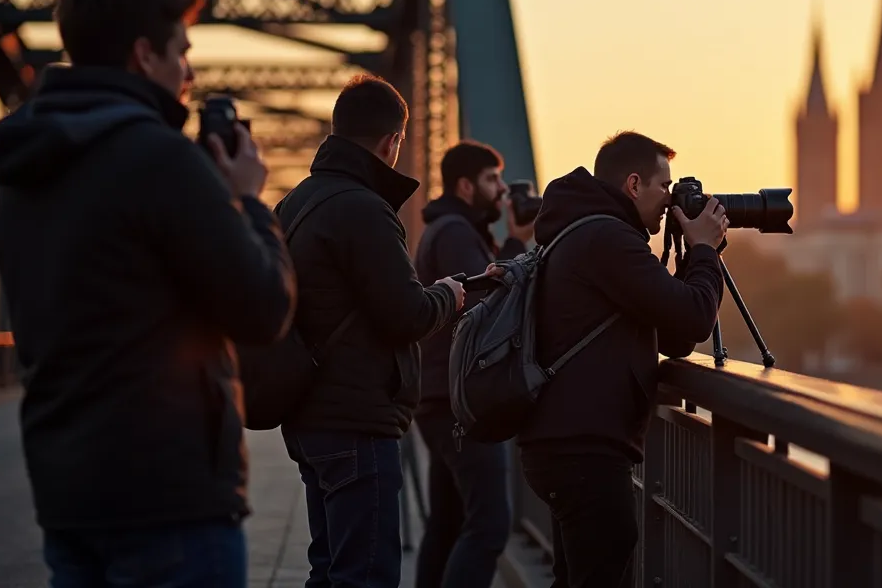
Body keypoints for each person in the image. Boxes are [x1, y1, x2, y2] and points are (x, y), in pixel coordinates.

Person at [0, 0, 296, 587]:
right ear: (143, 53)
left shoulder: (18, 176)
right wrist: (249, 204)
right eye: (182, 52)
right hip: (170, 498)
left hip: (68, 497)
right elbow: (263, 310)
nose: (191, 73)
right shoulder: (161, 160)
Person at [278, 74, 465, 587]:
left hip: (310, 412)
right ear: (393, 142)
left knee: (332, 567)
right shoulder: (363, 208)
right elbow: (406, 314)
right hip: (356, 418)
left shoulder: (296, 203)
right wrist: (447, 294)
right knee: (367, 575)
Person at [518, 131, 728, 587]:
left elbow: (673, 336)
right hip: (585, 449)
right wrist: (706, 250)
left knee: (578, 577)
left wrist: (693, 256)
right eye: (664, 187)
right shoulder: (607, 239)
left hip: (563, 442)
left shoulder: (584, 231)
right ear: (634, 185)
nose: (670, 200)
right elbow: (693, 319)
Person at [413, 141, 532, 588]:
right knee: (488, 526)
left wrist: (509, 241)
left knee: (447, 524)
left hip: (441, 397)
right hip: (459, 403)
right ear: (466, 185)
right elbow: (490, 305)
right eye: (492, 179)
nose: (502, 190)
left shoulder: (454, 230)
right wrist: (518, 239)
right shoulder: (455, 232)